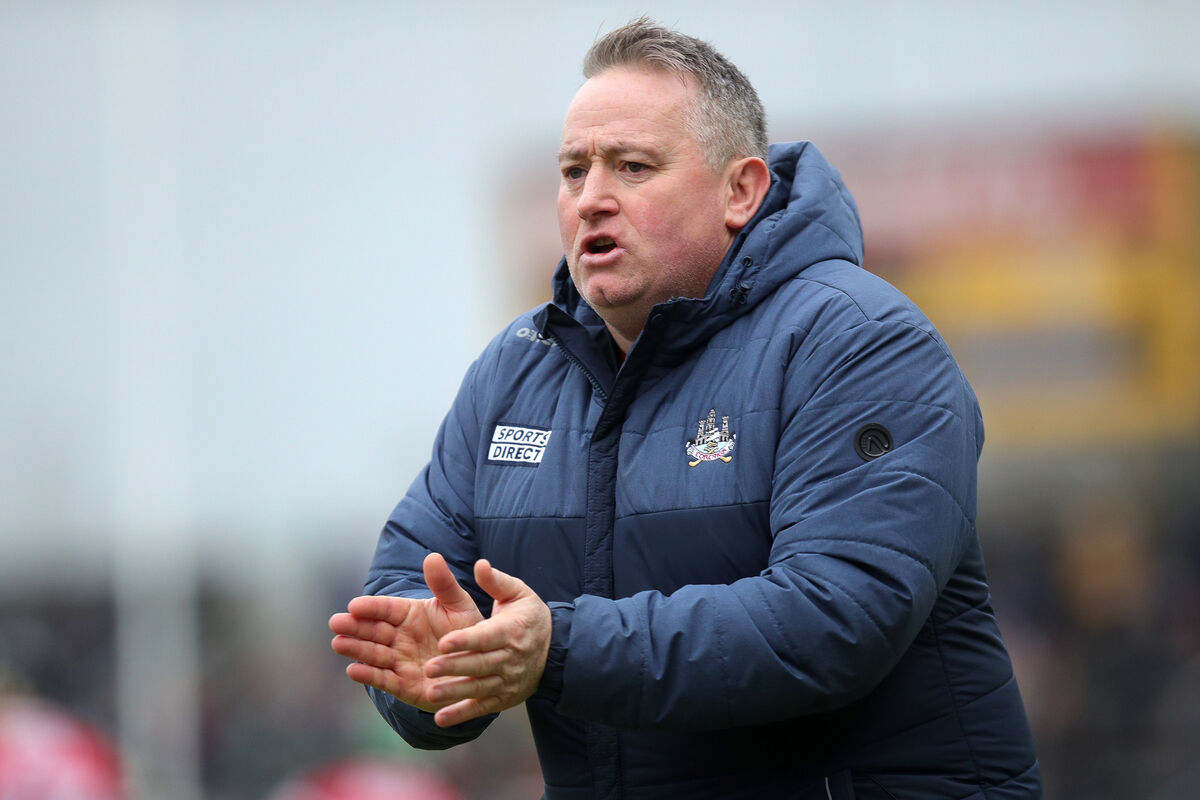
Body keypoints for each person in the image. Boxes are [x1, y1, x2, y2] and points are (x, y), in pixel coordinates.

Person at [329, 17, 1041, 799]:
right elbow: (409, 585)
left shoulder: (861, 343)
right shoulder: (513, 373)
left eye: (632, 167)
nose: (592, 199)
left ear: (741, 191)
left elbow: (836, 619)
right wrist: (440, 658)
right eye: (573, 172)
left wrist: (555, 648)